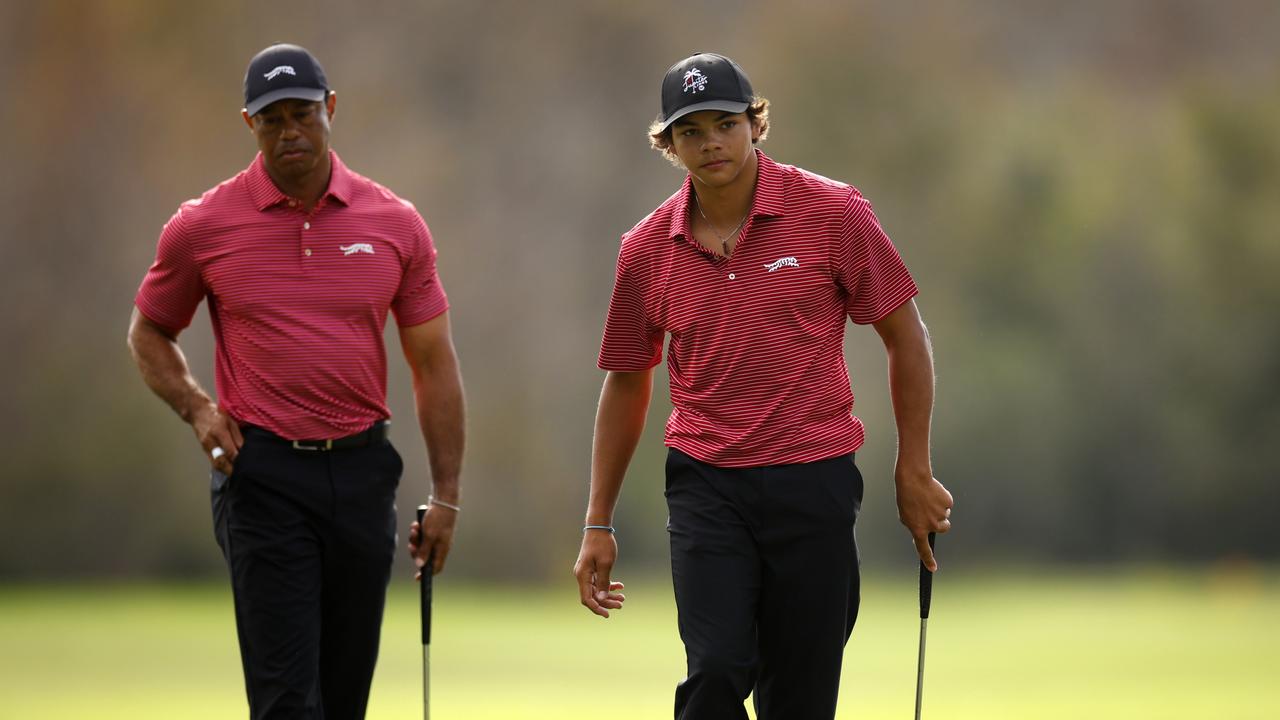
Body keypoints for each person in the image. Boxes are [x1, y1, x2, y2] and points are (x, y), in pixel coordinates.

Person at [572, 52, 954, 719]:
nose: (711, 142)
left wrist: (913, 469)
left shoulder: (834, 213)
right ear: (670, 145)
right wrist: (597, 519)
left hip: (814, 483)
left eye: (726, 123)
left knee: (799, 697)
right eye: (691, 132)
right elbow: (628, 382)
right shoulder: (645, 249)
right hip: (706, 483)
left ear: (756, 123)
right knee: (715, 673)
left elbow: (906, 336)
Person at [127, 43, 464, 720]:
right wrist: (196, 408)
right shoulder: (205, 226)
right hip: (263, 476)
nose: (289, 132)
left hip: (363, 473)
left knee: (342, 701)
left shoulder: (395, 223)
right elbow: (148, 333)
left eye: (303, 114)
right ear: (248, 124)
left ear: (330, 109)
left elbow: (432, 363)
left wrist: (447, 495)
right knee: (286, 702)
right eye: (271, 118)